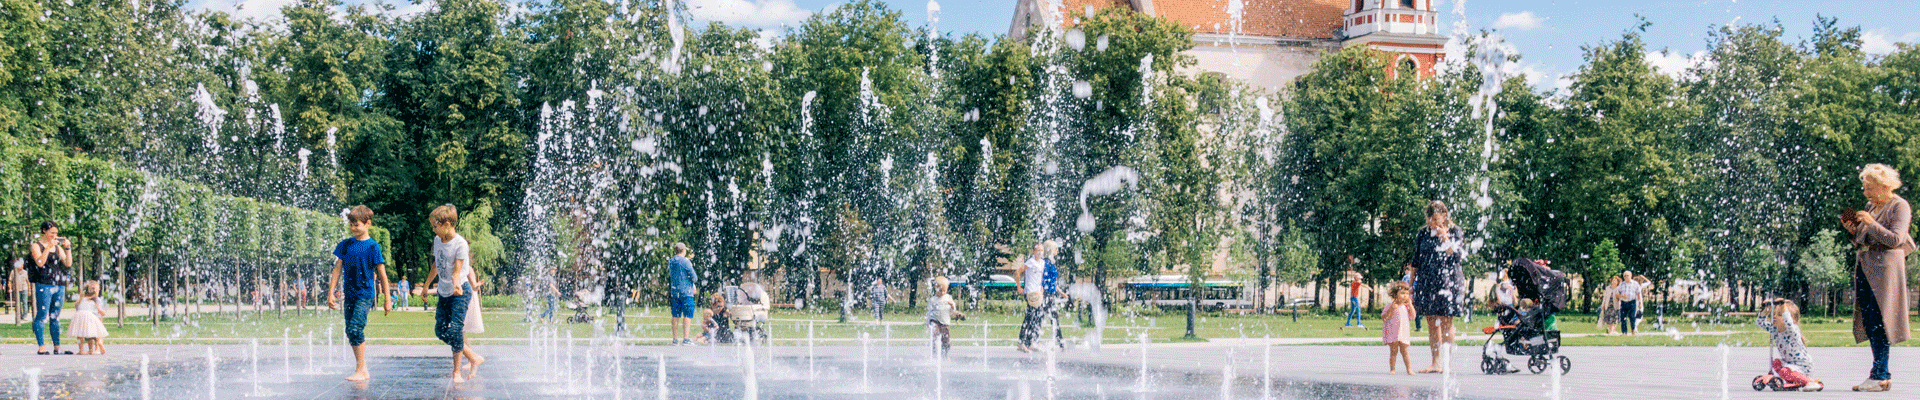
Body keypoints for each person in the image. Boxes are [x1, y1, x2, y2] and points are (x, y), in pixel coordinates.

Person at [1842, 163, 1912, 392]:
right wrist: (1853, 230)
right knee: (1871, 322)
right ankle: (1879, 374)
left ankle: (1880, 375)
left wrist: (1871, 223)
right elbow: (1864, 239)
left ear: (1884, 186)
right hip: (1866, 268)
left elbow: (1896, 239)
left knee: (1881, 323)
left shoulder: (1899, 206)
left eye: (1869, 188)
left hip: (1886, 273)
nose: (1866, 193)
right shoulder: (1870, 206)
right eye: (1865, 187)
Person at [328, 205, 391, 382]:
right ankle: (361, 368)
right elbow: (337, 269)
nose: (353, 228)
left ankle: (361, 369)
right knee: (350, 331)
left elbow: (382, 275)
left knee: (356, 328)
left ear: (368, 223)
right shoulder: (346, 245)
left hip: (365, 295)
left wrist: (387, 299)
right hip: (350, 294)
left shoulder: (373, 247)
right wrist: (331, 292)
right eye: (351, 224)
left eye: (356, 225)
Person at [1408, 201, 1466, 374]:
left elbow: (1456, 257)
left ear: (1444, 216)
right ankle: (1435, 362)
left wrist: (1444, 237)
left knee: (1447, 322)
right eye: (1431, 219)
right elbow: (1416, 261)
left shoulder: (1455, 231)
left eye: (1436, 219)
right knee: (1431, 322)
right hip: (1427, 281)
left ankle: (1447, 364)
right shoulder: (1423, 233)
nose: (1433, 223)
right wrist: (1411, 285)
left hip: (1449, 282)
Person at [424, 204, 481, 383]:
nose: (433, 229)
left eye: (435, 225)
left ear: (447, 223)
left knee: (456, 330)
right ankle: (472, 357)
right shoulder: (437, 240)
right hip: (443, 292)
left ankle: (456, 372)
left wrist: (456, 286)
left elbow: (457, 271)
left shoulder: (460, 244)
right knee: (440, 330)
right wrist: (426, 286)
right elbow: (436, 265)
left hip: (460, 292)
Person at [1759, 298, 1824, 391]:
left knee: (1784, 371)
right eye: (1773, 314)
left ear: (1791, 319)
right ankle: (1793, 381)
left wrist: (1783, 306)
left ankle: (1809, 382)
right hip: (1790, 364)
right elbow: (1760, 322)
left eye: (1779, 315)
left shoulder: (1792, 330)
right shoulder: (1775, 330)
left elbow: (1788, 323)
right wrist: (1766, 310)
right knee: (1776, 363)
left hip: (1802, 366)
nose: (1774, 317)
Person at [29, 220, 74, 355]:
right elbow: (40, 263)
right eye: (52, 232)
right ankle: (41, 346)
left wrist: (67, 248)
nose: (54, 235)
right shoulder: (36, 246)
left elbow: (67, 263)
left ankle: (57, 346)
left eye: (56, 233)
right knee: (42, 315)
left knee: (55, 316)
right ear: (44, 231)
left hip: (59, 284)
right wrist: (48, 247)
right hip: (44, 283)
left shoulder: (58, 247)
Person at [1014, 242, 1047, 353]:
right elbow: (1017, 272)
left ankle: (1030, 342)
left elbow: (1041, 277)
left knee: (1037, 317)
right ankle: (1021, 343)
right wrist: (1019, 287)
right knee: (1029, 317)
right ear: (1033, 251)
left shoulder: (1042, 263)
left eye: (1041, 250)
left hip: (1038, 295)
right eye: (1037, 250)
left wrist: (1041, 287)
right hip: (1030, 294)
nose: (1039, 252)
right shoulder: (1030, 262)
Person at [926, 276, 966, 357]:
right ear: (935, 288)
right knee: (935, 338)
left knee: (946, 341)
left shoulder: (948, 297)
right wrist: (928, 322)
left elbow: (952, 310)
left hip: (945, 322)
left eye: (945, 290)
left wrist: (952, 306)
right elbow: (929, 312)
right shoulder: (933, 300)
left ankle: (945, 355)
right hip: (935, 321)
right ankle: (934, 355)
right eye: (940, 290)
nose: (942, 292)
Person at [668, 242, 698, 346]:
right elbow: (694, 277)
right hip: (686, 292)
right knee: (687, 314)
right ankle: (686, 339)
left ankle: (675, 340)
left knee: (675, 315)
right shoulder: (686, 262)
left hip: (674, 292)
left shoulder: (671, 261)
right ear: (683, 250)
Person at [1382, 282, 1414, 375]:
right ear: (1395, 294)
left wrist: (1411, 305)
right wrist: (1391, 309)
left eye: (1407, 294)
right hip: (1393, 332)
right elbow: (1383, 316)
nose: (1405, 296)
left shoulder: (1406, 307)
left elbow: (1413, 316)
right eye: (1402, 293)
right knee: (1393, 351)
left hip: (1403, 332)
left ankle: (1409, 369)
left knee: (1405, 351)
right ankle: (1392, 369)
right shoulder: (1390, 305)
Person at [70, 281, 109, 355]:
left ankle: (82, 350)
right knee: (96, 333)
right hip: (90, 316)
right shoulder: (96, 300)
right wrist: (103, 312)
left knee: (80, 334)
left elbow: (76, 307)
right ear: (96, 291)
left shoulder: (81, 298)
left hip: (78, 316)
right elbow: (101, 312)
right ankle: (97, 348)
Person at [461, 272, 486, 379]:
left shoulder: (468, 268)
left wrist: (478, 284)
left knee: (461, 332)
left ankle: (471, 359)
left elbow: (474, 287)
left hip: (466, 301)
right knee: (461, 333)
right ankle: (469, 358)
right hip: (462, 300)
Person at [1613, 271, 1649, 335]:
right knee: (1622, 317)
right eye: (1625, 276)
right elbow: (1617, 294)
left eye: (1627, 275)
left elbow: (1638, 294)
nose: (1626, 277)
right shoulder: (1621, 284)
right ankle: (1624, 332)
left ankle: (1633, 330)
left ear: (1631, 276)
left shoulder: (1635, 284)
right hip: (1624, 302)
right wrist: (1621, 296)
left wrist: (1640, 303)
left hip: (1632, 302)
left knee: (1632, 317)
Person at [1342, 265, 1369, 329]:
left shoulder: (1354, 283)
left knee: (1352, 310)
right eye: (1359, 278)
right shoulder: (1356, 282)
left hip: (1352, 297)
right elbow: (1363, 285)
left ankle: (1348, 323)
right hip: (1354, 298)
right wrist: (1369, 288)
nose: (1360, 279)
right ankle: (1358, 323)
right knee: (1358, 309)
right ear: (1356, 278)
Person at [1401, 265, 1421, 332]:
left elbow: (1402, 286)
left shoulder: (1405, 277)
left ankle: (1405, 326)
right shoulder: (1417, 277)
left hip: (1407, 296)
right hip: (1415, 295)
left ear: (1407, 270)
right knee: (1416, 312)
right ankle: (1419, 327)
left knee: (1405, 311)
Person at [11, 258, 29, 327]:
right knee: (18, 303)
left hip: (24, 289)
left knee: (24, 303)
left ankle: (24, 316)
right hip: (16, 289)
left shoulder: (25, 272)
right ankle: (19, 316)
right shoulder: (13, 272)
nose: (22, 266)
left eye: (22, 265)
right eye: (21, 265)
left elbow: (28, 282)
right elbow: (10, 280)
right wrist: (10, 288)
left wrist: (29, 289)